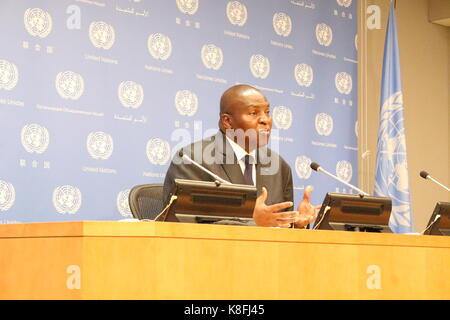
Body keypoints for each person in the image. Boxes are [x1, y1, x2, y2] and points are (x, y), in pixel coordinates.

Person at [162, 84, 318, 228]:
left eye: (267, 112)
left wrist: (297, 224)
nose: (265, 120)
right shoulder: (194, 159)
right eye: (253, 113)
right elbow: (183, 225)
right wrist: (254, 222)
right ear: (228, 122)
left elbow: (282, 228)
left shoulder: (278, 166)